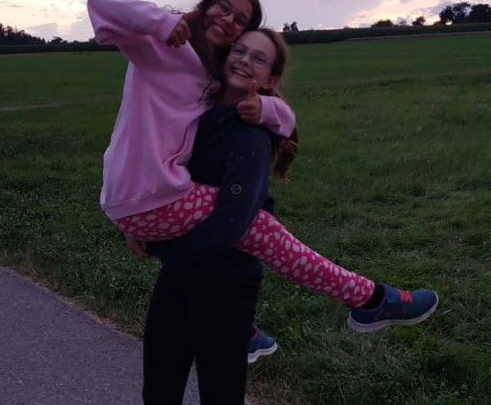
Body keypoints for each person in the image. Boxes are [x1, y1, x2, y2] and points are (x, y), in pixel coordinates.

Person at [88, 0, 438, 331]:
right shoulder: (157, 47)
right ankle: (371, 300)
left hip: (146, 197)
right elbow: (99, 1)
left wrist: (265, 107)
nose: (228, 19)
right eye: (224, 7)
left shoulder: (213, 76)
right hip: (148, 196)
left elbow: (285, 117)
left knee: (240, 227)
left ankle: (241, 330)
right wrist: (162, 20)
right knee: (259, 228)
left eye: (240, 19)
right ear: (206, 5)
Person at [141, 29, 437, 404]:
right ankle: (267, 328)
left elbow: (230, 226)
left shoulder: (249, 137)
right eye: (239, 50)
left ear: (271, 79)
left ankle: (370, 299)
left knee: (220, 395)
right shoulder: (197, 113)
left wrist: (158, 246)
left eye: (258, 58)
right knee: (158, 391)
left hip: (225, 283)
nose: (244, 60)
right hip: (178, 276)